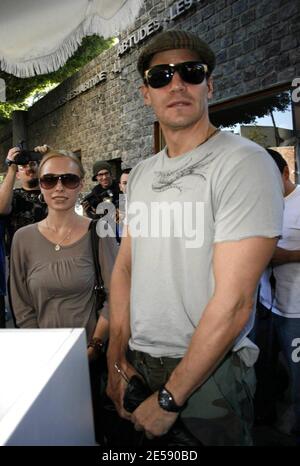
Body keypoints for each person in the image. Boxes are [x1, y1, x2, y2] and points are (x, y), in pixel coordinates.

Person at [106, 29, 284, 446]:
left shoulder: (243, 163)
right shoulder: (144, 173)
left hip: (209, 371)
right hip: (139, 359)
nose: (177, 84)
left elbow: (236, 301)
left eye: (191, 72)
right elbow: (127, 267)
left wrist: (171, 397)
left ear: (210, 85)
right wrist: (116, 359)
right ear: (145, 93)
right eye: (160, 76)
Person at [9, 150, 117, 443]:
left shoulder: (99, 232)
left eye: (68, 179)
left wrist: (94, 346)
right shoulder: (23, 238)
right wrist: (42, 353)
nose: (59, 188)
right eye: (49, 180)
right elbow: (20, 302)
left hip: (91, 360)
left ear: (80, 184)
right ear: (40, 185)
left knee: (91, 433)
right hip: (42, 363)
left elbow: (115, 296)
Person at [258, 149, 300, 445]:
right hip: (264, 307)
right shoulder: (258, 204)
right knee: (264, 377)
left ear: (285, 172)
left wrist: (283, 256)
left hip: (297, 310)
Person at [0, 145, 49, 254]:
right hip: (20, 258)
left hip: (49, 255)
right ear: (17, 174)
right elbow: (1, 208)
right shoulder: (13, 196)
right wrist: (12, 167)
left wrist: (50, 157)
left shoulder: (51, 194)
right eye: (23, 166)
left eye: (32, 164)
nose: (29, 168)